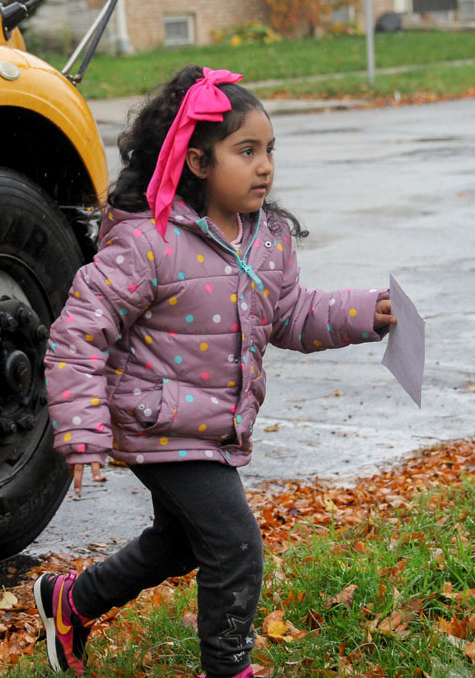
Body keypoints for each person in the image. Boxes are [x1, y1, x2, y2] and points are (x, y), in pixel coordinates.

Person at [34, 65, 395, 678]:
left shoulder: (267, 238)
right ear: (198, 162)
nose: (265, 167)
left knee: (179, 545)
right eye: (246, 151)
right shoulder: (148, 242)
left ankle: (73, 600)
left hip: (214, 426)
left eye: (270, 150)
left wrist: (365, 314)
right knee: (235, 547)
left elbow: (290, 316)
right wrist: (81, 431)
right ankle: (226, 668)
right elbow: (79, 333)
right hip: (160, 425)